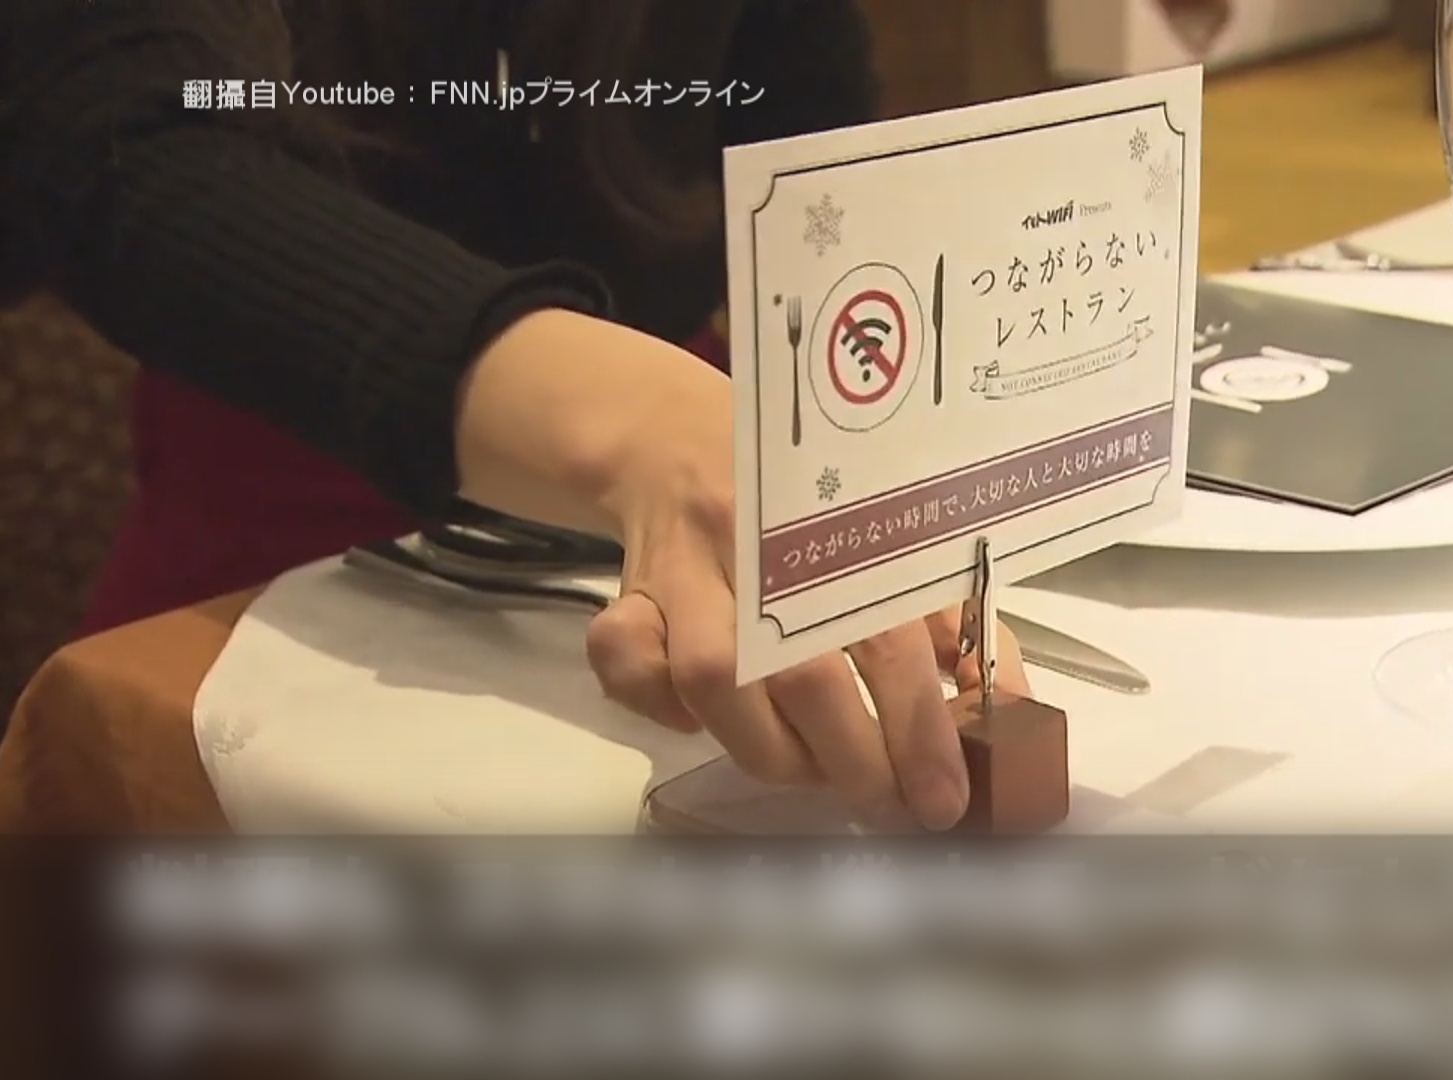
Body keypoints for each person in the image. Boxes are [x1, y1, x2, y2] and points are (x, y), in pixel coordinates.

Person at [0, 0, 1029, 832]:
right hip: (276, 546)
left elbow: (807, 142)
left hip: (710, 508)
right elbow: (107, 138)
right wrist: (635, 423)